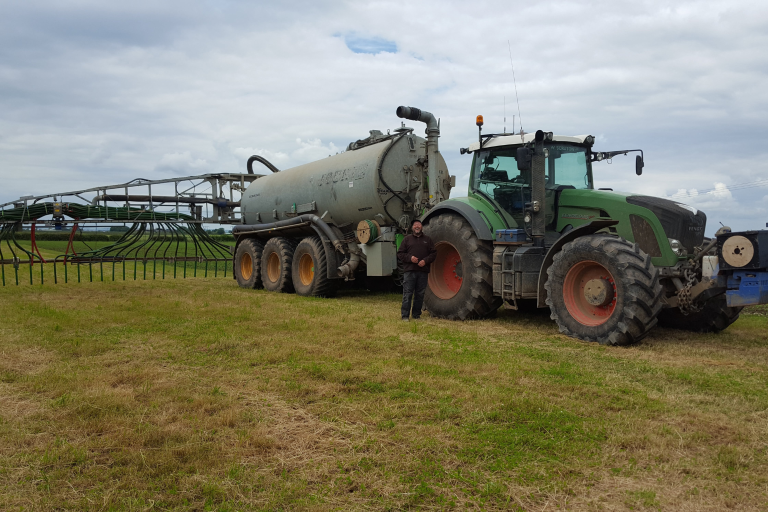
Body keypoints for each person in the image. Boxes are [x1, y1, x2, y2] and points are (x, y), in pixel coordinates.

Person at [397, 219, 436, 321]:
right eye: (415, 225)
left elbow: (433, 254)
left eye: (419, 225)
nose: (417, 226)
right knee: (408, 293)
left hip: (423, 271)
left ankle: (416, 315)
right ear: (412, 227)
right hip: (410, 271)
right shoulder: (407, 239)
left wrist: (425, 261)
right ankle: (405, 315)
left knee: (420, 294)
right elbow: (400, 253)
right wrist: (410, 258)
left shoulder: (428, 240)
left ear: (422, 227)